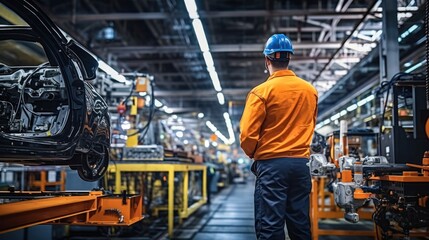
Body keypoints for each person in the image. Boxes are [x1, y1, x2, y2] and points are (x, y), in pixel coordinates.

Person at [239, 33, 318, 240]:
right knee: (300, 224)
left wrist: (254, 153)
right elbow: (311, 124)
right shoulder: (309, 91)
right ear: (288, 58)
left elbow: (247, 135)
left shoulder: (261, 92)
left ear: (267, 60)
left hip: (272, 166)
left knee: (270, 225)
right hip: (301, 166)